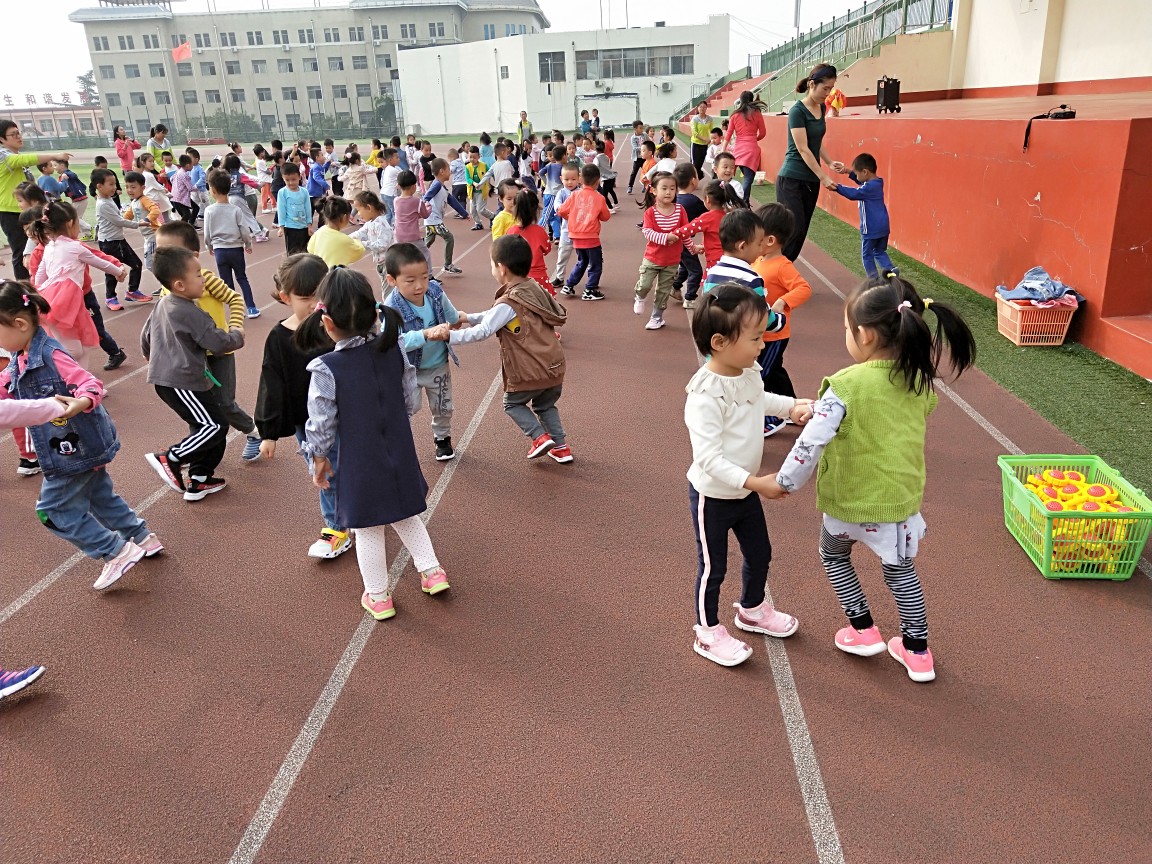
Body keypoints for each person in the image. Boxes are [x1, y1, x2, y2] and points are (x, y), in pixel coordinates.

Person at [769, 275, 976, 683]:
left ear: (864, 335)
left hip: (846, 504)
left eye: (846, 329)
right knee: (901, 573)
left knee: (833, 556)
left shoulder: (845, 385)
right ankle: (917, 651)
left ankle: (862, 629)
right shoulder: (919, 382)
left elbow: (811, 442)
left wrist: (785, 481)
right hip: (896, 507)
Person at [298, 267, 449, 619]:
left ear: (327, 322)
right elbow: (410, 400)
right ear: (375, 314)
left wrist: (318, 457)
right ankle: (432, 571)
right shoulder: (395, 348)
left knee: (366, 527)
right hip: (399, 448)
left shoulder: (326, 368)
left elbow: (320, 422)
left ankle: (378, 596)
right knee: (405, 513)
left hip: (359, 459)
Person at [0, 281, 163, 590]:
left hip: (73, 449)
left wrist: (81, 401)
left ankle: (116, 551)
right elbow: (6, 384)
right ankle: (142, 538)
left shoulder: (50, 354)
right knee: (99, 496)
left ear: (20, 324)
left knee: (52, 511)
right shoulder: (20, 355)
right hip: (78, 446)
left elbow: (90, 383)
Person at [684, 283, 812, 667]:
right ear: (720, 342)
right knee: (713, 568)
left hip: (744, 492)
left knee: (760, 553)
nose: (762, 344)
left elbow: (759, 399)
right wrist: (756, 483)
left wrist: (792, 407)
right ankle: (707, 631)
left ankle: (752, 609)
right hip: (714, 497)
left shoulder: (747, 372)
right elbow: (708, 459)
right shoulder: (705, 396)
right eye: (755, 337)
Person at [255, 253, 354, 560]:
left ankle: (359, 509)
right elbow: (272, 382)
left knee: (352, 464)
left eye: (320, 295)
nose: (315, 304)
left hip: (348, 413)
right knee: (326, 471)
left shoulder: (336, 325)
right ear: (285, 297)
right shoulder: (279, 337)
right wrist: (269, 432)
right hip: (309, 423)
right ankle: (336, 528)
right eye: (305, 298)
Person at [446, 234, 571, 462]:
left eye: (492, 265)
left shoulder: (509, 301)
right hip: (554, 366)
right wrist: (468, 317)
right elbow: (496, 316)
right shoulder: (533, 289)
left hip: (530, 370)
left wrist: (448, 336)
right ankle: (561, 447)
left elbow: (484, 329)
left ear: (501, 268)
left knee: (512, 403)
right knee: (545, 405)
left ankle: (539, 437)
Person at [141, 246, 246, 502]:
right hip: (181, 381)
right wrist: (237, 334)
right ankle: (171, 457)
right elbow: (217, 342)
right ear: (179, 284)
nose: (204, 279)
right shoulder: (189, 311)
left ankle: (200, 478)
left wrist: (148, 354)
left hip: (179, 380)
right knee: (214, 425)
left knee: (212, 425)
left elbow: (146, 334)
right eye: (198, 274)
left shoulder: (164, 303)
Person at [155, 220, 260, 462]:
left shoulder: (206, 280)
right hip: (192, 357)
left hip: (219, 352)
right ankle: (199, 454)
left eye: (170, 251)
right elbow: (158, 320)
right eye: (160, 251)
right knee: (200, 408)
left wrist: (235, 326)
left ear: (193, 256)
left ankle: (253, 431)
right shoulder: (167, 288)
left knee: (224, 403)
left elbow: (234, 299)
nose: (163, 257)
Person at [382, 243, 463, 462]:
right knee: (409, 407)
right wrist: (425, 334)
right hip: (409, 370)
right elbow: (392, 341)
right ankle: (398, 441)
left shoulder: (435, 292)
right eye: (410, 281)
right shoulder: (392, 308)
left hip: (438, 365)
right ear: (392, 280)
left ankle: (442, 439)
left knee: (443, 406)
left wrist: (458, 320)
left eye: (425, 277)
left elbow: (451, 314)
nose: (419, 286)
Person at [30, 200, 131, 363]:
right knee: (77, 348)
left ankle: (79, 373)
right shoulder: (74, 247)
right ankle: (65, 371)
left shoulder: (49, 247)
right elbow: (100, 262)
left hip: (52, 299)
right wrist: (119, 272)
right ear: (70, 223)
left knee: (77, 343)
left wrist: (39, 291)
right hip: (70, 300)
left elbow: (39, 277)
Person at [753, 204, 812, 437]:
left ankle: (770, 420)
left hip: (774, 334)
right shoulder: (758, 260)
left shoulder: (782, 266)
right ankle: (793, 407)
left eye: (755, 236)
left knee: (760, 375)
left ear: (770, 240)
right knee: (774, 370)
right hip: (760, 332)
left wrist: (783, 301)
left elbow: (804, 288)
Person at [777, 63, 842, 262]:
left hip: (811, 181)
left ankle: (783, 270)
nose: (828, 94)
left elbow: (816, 141)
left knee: (801, 232)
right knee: (792, 230)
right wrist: (823, 177)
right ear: (812, 84)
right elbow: (803, 148)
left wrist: (829, 162)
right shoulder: (797, 111)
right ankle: (770, 272)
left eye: (831, 89)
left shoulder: (821, 107)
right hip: (792, 179)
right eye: (825, 88)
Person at [0, 120, 72, 280]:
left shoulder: (14, 155)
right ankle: (24, 290)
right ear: (2, 139)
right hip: (11, 212)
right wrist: (55, 155)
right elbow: (25, 160)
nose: (19, 136)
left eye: (18, 133)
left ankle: (40, 283)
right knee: (22, 252)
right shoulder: (3, 156)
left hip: (27, 209)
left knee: (38, 246)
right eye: (13, 134)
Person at [632, 172, 687, 331]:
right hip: (652, 258)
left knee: (663, 291)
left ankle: (656, 318)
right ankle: (640, 296)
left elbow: (685, 232)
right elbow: (647, 232)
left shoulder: (680, 210)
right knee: (644, 284)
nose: (669, 192)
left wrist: (693, 248)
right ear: (654, 191)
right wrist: (666, 237)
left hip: (672, 261)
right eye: (664, 188)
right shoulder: (650, 212)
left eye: (672, 188)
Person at [832, 152, 896, 280]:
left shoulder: (867, 188)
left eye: (857, 173)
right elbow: (861, 181)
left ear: (865, 172)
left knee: (867, 256)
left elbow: (853, 194)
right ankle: (892, 272)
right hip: (883, 227)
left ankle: (873, 281)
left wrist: (836, 187)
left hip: (871, 228)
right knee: (879, 251)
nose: (856, 176)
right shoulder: (877, 183)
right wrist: (848, 171)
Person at [203, 168, 258, 318]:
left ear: (212, 190)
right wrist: (248, 244)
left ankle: (236, 311)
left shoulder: (209, 211)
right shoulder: (236, 210)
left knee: (226, 282)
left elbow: (207, 233)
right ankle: (251, 308)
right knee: (242, 278)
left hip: (220, 251)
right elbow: (244, 230)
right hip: (236, 249)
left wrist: (209, 246)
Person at [92, 168, 146, 311]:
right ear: (99, 186)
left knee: (136, 264)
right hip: (109, 243)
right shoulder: (103, 204)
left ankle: (132, 291)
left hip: (119, 240)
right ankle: (110, 298)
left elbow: (119, 217)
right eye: (111, 184)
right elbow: (119, 221)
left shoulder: (108, 199)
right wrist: (139, 224)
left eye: (115, 184)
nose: (114, 187)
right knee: (112, 270)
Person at [557, 163, 610, 301]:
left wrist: (571, 218)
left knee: (582, 261)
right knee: (596, 264)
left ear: (581, 179)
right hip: (591, 237)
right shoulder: (599, 198)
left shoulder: (574, 195)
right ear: (597, 182)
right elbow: (605, 217)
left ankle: (569, 285)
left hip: (575, 236)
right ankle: (590, 289)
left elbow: (561, 211)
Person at [672, 180, 734, 275]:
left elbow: (688, 229)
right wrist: (703, 246)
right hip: (730, 259)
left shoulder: (707, 218)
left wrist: (671, 234)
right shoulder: (729, 216)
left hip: (714, 261)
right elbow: (717, 238)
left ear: (707, 199)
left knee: (709, 282)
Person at [422, 157, 470, 275]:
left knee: (428, 242)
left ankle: (414, 257)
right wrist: (425, 202)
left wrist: (464, 214)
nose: (450, 172)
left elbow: (452, 200)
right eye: (449, 170)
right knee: (449, 237)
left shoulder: (442, 187)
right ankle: (448, 265)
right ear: (442, 171)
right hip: (434, 219)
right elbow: (427, 196)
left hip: (433, 219)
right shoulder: (437, 185)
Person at [671, 163, 706, 310]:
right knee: (696, 271)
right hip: (684, 241)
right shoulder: (693, 201)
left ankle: (675, 286)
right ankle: (690, 298)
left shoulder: (675, 199)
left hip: (675, 240)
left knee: (686, 266)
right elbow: (708, 214)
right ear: (693, 180)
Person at [506, 188, 553, 294]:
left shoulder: (511, 232)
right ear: (536, 210)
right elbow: (547, 249)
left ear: (515, 209)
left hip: (517, 277)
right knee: (544, 301)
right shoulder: (540, 231)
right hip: (539, 277)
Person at [723, 90, 768, 201]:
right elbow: (763, 133)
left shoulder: (734, 115)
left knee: (746, 178)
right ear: (752, 99)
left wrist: (723, 149)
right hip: (752, 149)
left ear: (741, 100)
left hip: (738, 150)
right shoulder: (757, 113)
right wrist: (753, 139)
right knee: (748, 179)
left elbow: (728, 134)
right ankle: (741, 200)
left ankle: (745, 201)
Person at [349, 192, 395, 295]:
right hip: (380, 263)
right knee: (388, 288)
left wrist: (363, 243)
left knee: (387, 290)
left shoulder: (381, 223)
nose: (358, 214)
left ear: (369, 208)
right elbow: (360, 233)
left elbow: (382, 245)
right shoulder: (370, 223)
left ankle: (389, 304)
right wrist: (346, 239)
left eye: (359, 210)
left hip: (388, 262)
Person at [123, 170, 163, 276]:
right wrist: (116, 221)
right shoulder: (134, 202)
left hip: (153, 235)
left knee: (150, 264)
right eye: (127, 187)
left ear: (142, 188)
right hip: (147, 237)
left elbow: (155, 210)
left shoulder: (144, 200)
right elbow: (127, 216)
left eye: (133, 187)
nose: (129, 190)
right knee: (154, 263)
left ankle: (167, 280)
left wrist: (147, 219)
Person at [307, 198, 366, 269]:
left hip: (320, 272)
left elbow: (310, 249)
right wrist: (357, 240)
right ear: (344, 217)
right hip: (337, 274)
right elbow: (359, 252)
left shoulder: (318, 232)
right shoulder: (345, 240)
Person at [392, 171, 432, 271]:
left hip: (399, 235)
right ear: (414, 186)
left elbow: (407, 214)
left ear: (398, 186)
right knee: (425, 254)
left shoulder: (396, 200)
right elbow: (425, 215)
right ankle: (429, 275)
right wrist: (428, 207)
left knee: (402, 257)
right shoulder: (417, 201)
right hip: (412, 236)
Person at [550, 164, 580, 292]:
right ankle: (559, 277)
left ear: (579, 178)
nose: (570, 182)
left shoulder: (581, 193)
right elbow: (557, 206)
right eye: (567, 179)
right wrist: (563, 210)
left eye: (573, 179)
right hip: (566, 231)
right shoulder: (561, 193)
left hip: (581, 232)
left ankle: (591, 279)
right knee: (562, 255)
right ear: (561, 179)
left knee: (585, 258)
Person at [276, 162, 313, 256]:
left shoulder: (304, 192)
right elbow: (281, 210)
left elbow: (308, 208)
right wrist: (281, 227)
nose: (291, 183)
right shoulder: (282, 193)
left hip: (303, 227)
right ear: (283, 178)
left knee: (305, 252)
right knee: (292, 253)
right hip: (290, 228)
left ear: (299, 177)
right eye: (287, 180)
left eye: (293, 179)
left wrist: (309, 225)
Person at [463, 147, 488, 231]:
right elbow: (468, 178)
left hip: (481, 191)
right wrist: (474, 183)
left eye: (474, 157)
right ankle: (478, 223)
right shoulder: (467, 167)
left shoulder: (484, 165)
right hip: (472, 192)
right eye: (470, 157)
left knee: (480, 209)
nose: (472, 159)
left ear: (479, 157)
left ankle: (492, 216)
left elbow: (490, 173)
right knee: (472, 210)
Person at [170, 154, 196, 224]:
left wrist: (177, 186)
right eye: (192, 165)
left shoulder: (178, 171)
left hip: (176, 197)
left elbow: (171, 179)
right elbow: (190, 188)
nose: (193, 166)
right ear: (188, 165)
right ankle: (181, 227)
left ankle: (190, 224)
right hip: (181, 199)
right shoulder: (184, 175)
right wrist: (198, 187)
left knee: (193, 209)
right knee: (187, 215)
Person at [689, 102, 714, 177]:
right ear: (698, 108)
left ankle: (698, 177)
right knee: (694, 164)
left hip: (704, 145)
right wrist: (704, 138)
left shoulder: (710, 119)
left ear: (706, 108)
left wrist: (711, 139)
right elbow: (694, 132)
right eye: (700, 107)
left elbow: (711, 130)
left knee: (700, 164)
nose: (702, 108)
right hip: (695, 144)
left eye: (704, 107)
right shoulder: (695, 119)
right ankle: (692, 180)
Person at [594, 140, 617, 212]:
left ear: (596, 149)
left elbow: (595, 168)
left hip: (606, 179)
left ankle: (610, 208)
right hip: (612, 176)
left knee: (604, 195)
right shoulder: (606, 157)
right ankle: (616, 203)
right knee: (611, 190)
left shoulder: (596, 159)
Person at [626, 120, 647, 194]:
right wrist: (644, 148)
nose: (642, 129)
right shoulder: (633, 138)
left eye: (642, 128)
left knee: (646, 172)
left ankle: (645, 185)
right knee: (634, 173)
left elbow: (649, 142)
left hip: (645, 158)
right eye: (640, 128)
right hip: (637, 158)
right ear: (635, 129)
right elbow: (635, 148)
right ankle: (630, 186)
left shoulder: (644, 135)